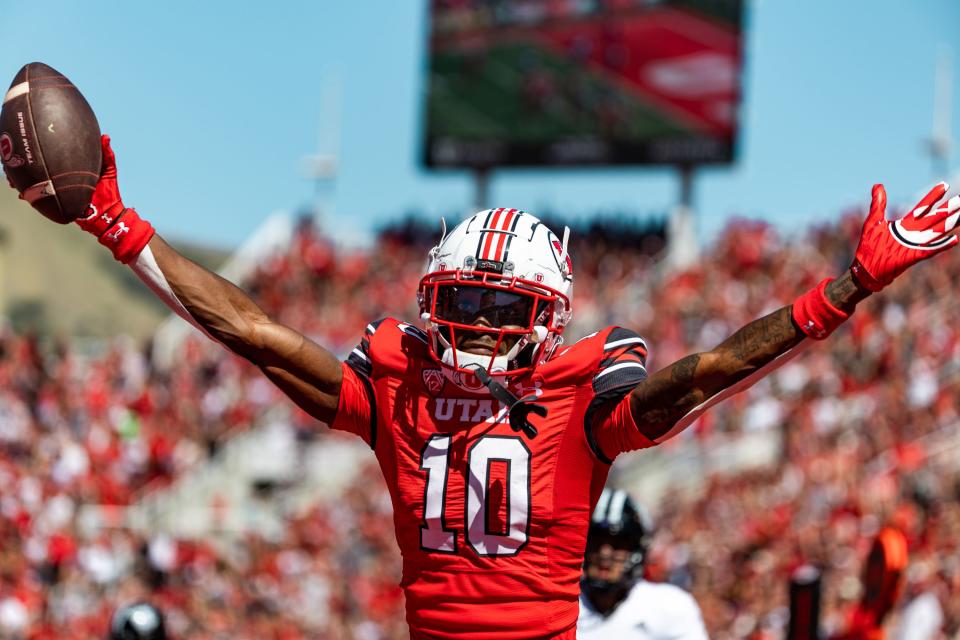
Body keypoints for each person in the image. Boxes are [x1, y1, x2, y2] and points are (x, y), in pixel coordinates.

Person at [6, 135, 959, 639]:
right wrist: (115, 224)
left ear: (546, 315)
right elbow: (253, 331)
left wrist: (843, 292)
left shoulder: (569, 398)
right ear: (432, 293)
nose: (483, 324)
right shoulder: (403, 385)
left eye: (503, 309)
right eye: (466, 300)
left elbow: (708, 371)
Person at [578, 488, 707, 640]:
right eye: (597, 542)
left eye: (618, 544)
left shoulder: (671, 608)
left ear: (638, 550)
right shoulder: (561, 606)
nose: (604, 554)